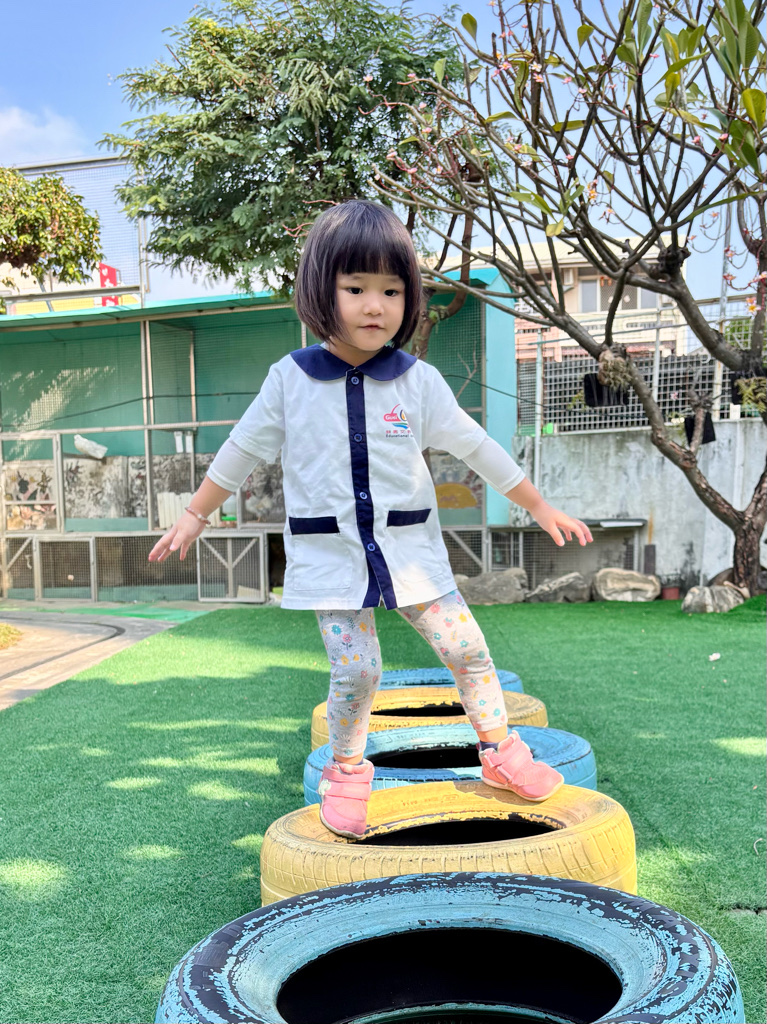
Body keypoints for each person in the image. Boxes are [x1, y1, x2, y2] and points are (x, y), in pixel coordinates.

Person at [148, 200, 593, 840]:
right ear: (320, 290)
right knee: (358, 670)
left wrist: (538, 504)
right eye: (355, 288)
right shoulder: (290, 381)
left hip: (411, 554)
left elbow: (477, 446)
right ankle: (349, 771)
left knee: (468, 650)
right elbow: (241, 450)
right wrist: (196, 512)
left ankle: (500, 753)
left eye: (391, 291)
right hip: (330, 558)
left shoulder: (419, 382)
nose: (375, 306)